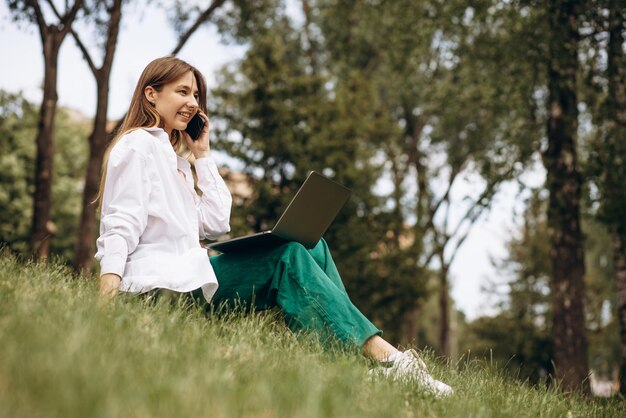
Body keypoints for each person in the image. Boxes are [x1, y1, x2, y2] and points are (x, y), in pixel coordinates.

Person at [96, 56, 453, 397]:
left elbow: (217, 223)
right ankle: (393, 362)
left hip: (190, 278)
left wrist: (203, 155)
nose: (193, 102)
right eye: (182, 91)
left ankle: (356, 367)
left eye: (196, 95)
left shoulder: (176, 162)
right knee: (287, 255)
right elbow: (120, 223)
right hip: (158, 290)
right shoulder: (137, 146)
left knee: (313, 246)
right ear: (151, 93)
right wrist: (107, 303)